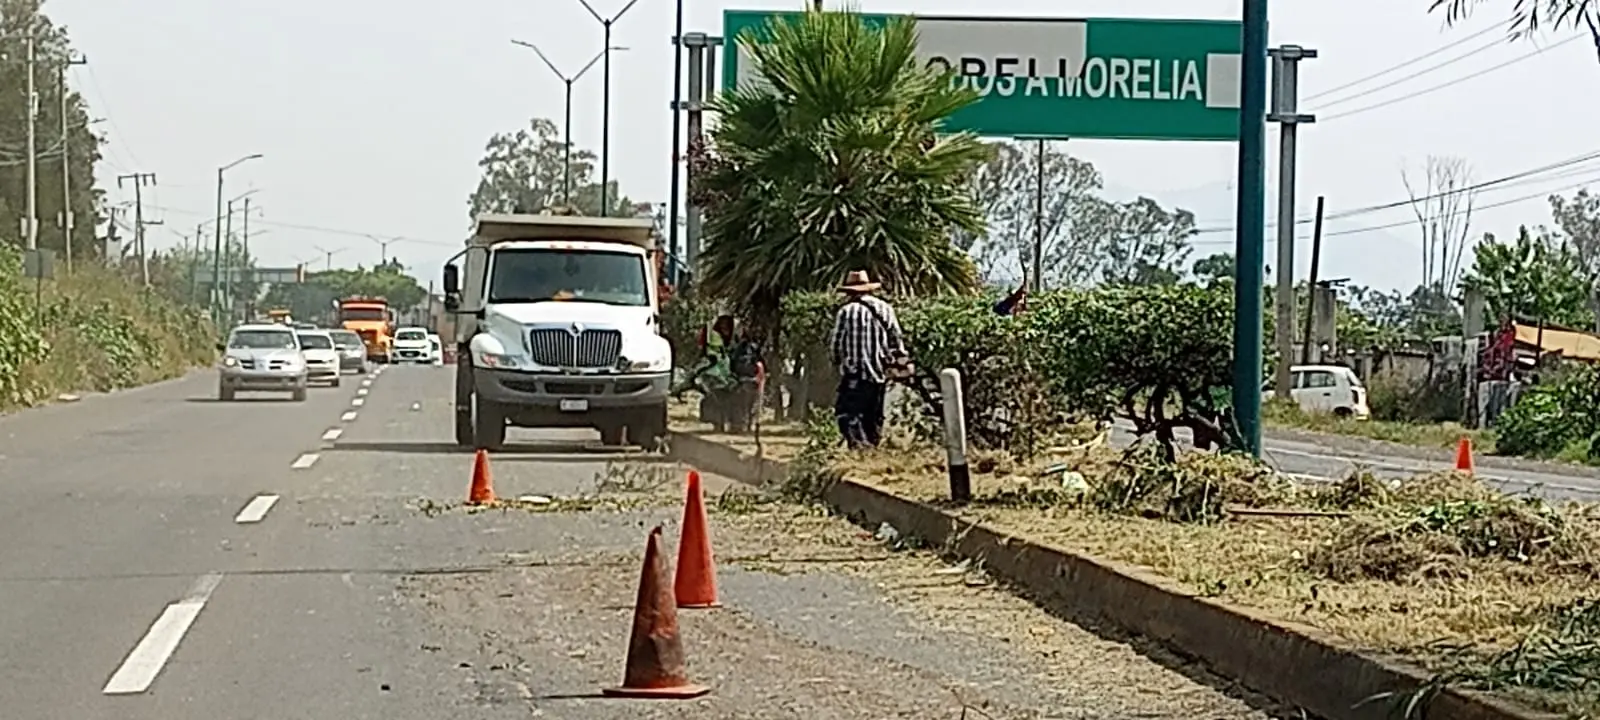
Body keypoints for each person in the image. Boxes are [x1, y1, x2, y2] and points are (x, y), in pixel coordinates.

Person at [830, 269, 907, 448]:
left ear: (849, 292)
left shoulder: (846, 312)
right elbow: (896, 338)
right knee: (874, 415)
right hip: (879, 373)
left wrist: (835, 361)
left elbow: (836, 344)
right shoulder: (885, 309)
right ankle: (873, 448)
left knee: (848, 415)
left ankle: (860, 449)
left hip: (855, 374)